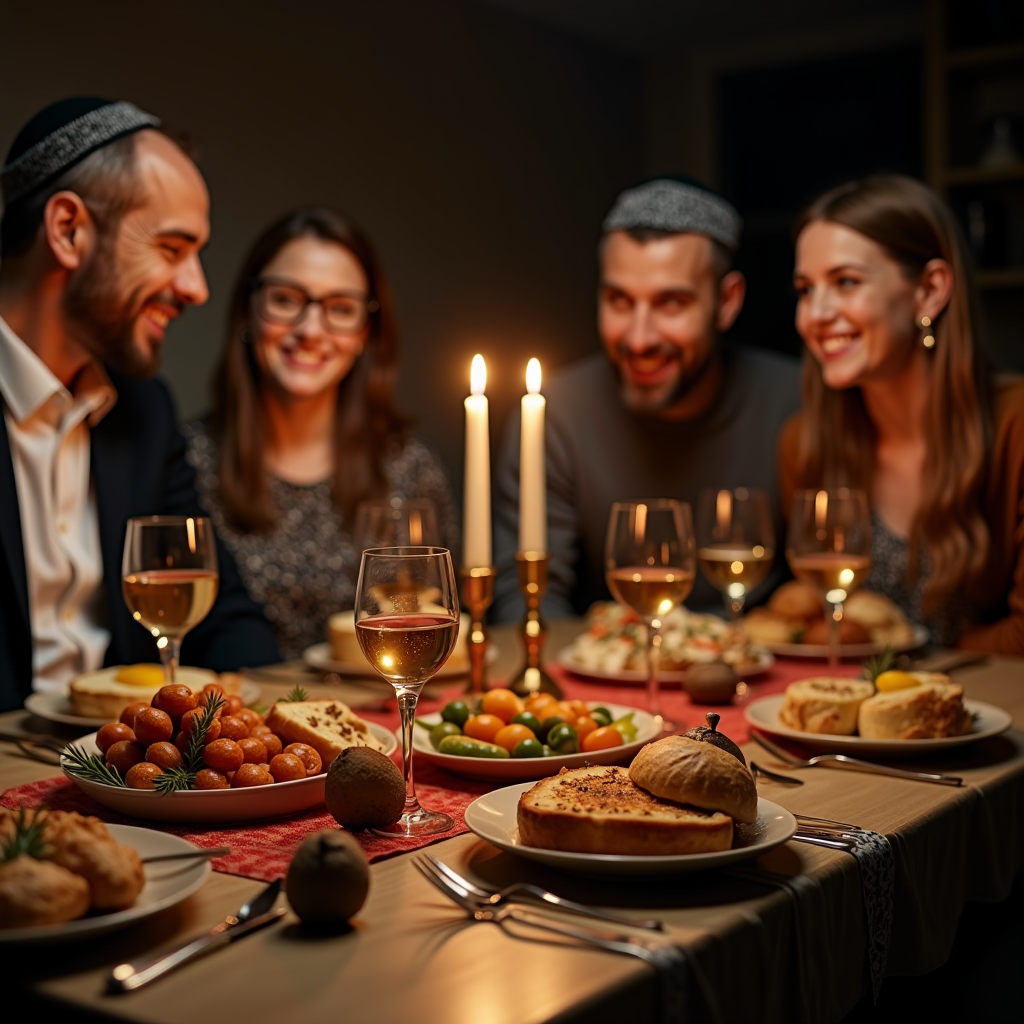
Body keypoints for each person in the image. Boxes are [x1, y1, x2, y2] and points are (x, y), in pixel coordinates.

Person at [0, 97, 280, 713]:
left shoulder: (144, 410)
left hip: (119, 758)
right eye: (171, 248)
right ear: (68, 230)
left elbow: (226, 614)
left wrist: (278, 716)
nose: (197, 288)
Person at [493, 177, 801, 621]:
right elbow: (525, 600)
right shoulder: (552, 413)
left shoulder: (799, 402)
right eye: (619, 300)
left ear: (727, 301)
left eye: (671, 303)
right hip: (605, 655)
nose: (639, 339)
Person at [184, 207, 458, 659]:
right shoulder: (185, 462)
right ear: (248, 310)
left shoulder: (410, 468)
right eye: (285, 300)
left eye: (341, 309)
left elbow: (441, 627)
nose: (310, 330)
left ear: (366, 331)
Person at [780, 174, 1024, 653]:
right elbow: (825, 623)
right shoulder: (805, 443)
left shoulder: (1014, 426)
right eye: (806, 289)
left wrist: (916, 665)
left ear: (930, 290)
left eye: (846, 282)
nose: (815, 315)